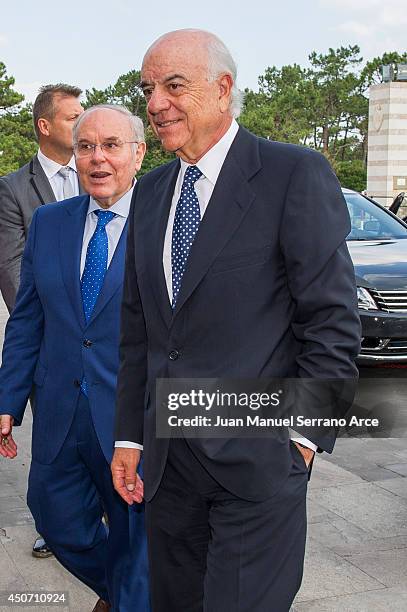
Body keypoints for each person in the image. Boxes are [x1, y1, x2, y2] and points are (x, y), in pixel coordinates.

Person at [111, 29, 361, 612]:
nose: (155, 103)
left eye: (175, 85)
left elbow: (331, 322)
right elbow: (138, 330)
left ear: (223, 89)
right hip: (168, 469)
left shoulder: (291, 174)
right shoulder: (148, 193)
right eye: (148, 88)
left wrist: (300, 440)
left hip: (258, 464)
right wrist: (129, 434)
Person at [0, 105, 150, 612]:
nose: (97, 158)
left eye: (111, 146)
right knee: (55, 519)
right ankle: (126, 593)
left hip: (131, 421)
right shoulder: (49, 222)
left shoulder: (163, 224)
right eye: (86, 147)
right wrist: (8, 397)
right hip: (59, 413)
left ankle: (130, 598)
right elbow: (27, 319)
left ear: (138, 153)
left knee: (136, 533)